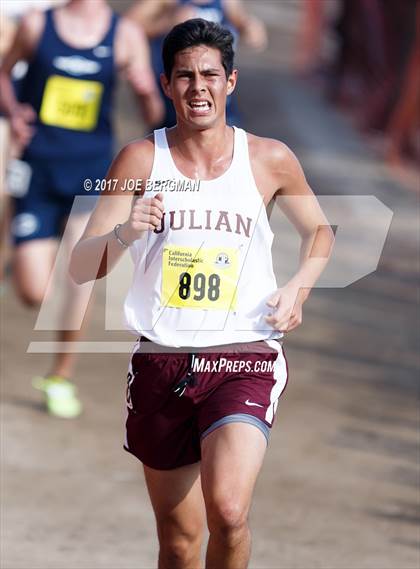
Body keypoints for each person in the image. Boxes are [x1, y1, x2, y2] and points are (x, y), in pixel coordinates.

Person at [71, 18, 333, 569]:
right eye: (184, 76)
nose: (198, 88)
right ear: (165, 84)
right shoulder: (139, 161)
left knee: (229, 511)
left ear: (230, 82)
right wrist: (125, 232)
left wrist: (298, 289)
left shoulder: (268, 158)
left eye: (210, 75)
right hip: (161, 364)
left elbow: (320, 231)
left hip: (245, 356)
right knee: (180, 542)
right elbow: (79, 266)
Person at [0, 0, 163, 418]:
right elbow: (4, 73)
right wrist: (15, 113)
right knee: (34, 291)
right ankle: (30, 263)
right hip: (37, 171)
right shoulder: (38, 25)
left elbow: (155, 115)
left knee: (81, 274)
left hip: (92, 173)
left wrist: (146, 93)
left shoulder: (124, 36)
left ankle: (60, 376)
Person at [126, 0, 267, 127]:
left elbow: (246, 25)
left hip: (220, 105)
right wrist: (168, 22)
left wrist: (249, 28)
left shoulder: (226, 3)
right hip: (175, 101)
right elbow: (126, 29)